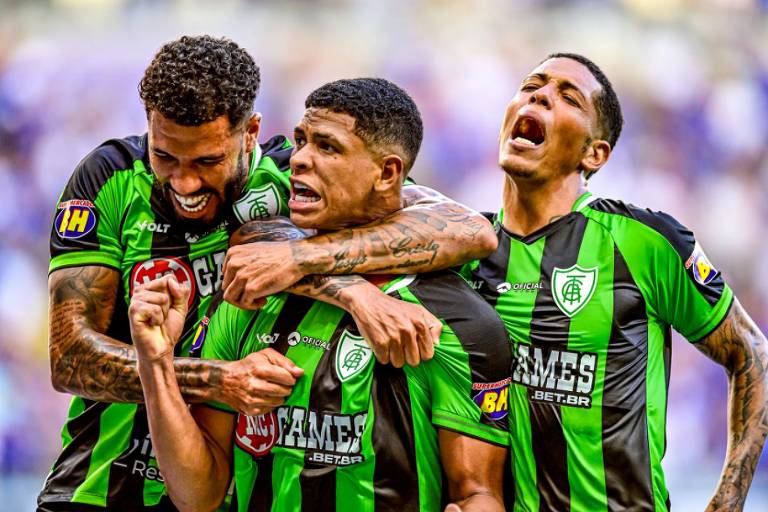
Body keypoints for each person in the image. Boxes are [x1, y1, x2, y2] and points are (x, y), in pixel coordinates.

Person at [40, 36, 498, 511]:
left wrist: (305, 263)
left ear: (251, 131)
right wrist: (218, 379)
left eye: (207, 162)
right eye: (164, 157)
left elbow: (468, 231)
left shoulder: (295, 181)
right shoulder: (110, 175)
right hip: (99, 487)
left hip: (223, 489)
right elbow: (70, 357)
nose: (184, 182)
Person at [462, 53, 768, 511]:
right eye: (531, 86)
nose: (540, 95)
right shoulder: (465, 254)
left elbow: (750, 354)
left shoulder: (644, 241)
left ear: (594, 153)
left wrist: (729, 497)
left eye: (568, 97)